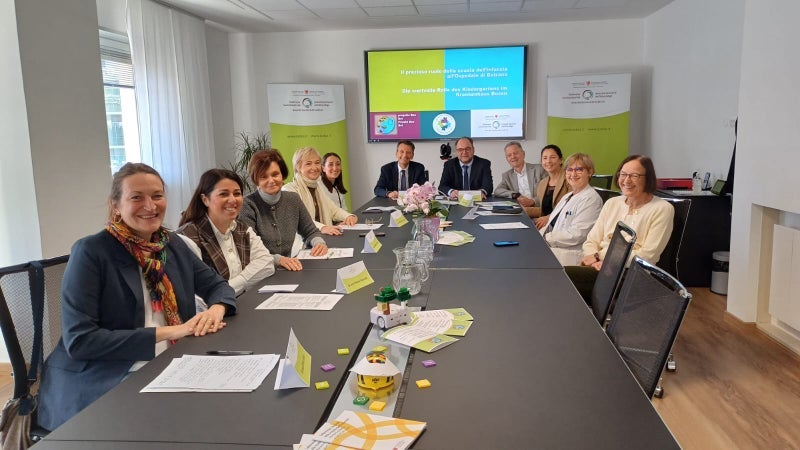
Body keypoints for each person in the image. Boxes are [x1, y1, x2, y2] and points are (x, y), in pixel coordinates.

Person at [38, 163, 237, 431]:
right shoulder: (92, 252)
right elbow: (81, 341)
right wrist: (173, 331)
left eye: (157, 196)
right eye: (136, 197)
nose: (150, 206)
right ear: (116, 205)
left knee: (227, 412)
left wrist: (215, 310)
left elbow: (217, 286)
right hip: (107, 375)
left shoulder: (171, 245)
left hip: (172, 361)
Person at [566, 155, 674, 303]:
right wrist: (593, 261)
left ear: (648, 178)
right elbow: (591, 240)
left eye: (634, 176)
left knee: (562, 279)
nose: (626, 180)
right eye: (623, 174)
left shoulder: (662, 209)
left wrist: (601, 257)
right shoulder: (612, 203)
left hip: (631, 274)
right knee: (558, 279)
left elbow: (647, 256)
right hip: (599, 268)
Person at [177, 169, 275, 297]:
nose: (232, 200)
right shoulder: (187, 237)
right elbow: (195, 296)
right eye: (224, 194)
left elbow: (266, 263)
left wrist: (227, 289)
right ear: (205, 199)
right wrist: (244, 282)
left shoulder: (242, 229)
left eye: (237, 193)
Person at [238, 149, 329, 271]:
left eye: (275, 174)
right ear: (256, 180)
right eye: (264, 177)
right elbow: (249, 249)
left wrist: (318, 243)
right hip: (260, 273)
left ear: (282, 175)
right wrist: (278, 260)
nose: (271, 180)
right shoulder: (247, 206)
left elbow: (310, 231)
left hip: (288, 271)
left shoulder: (293, 199)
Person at [539, 153, 603, 266]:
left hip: (571, 255)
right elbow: (550, 224)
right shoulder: (568, 196)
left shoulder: (591, 199)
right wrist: (538, 235)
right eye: (569, 169)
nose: (573, 174)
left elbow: (577, 234)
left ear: (590, 172)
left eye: (579, 169)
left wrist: (545, 238)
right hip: (555, 248)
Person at [283, 147, 358, 235]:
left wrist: (348, 216)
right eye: (308, 164)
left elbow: (333, 210)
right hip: (304, 241)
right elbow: (298, 219)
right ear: (298, 167)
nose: (314, 167)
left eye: (317, 162)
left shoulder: (317, 188)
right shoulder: (289, 190)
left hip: (322, 238)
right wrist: (323, 227)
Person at [494, 141, 547, 216]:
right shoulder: (507, 175)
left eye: (515, 153)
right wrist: (515, 195)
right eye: (509, 155)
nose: (513, 157)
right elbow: (498, 191)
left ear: (523, 154)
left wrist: (533, 201)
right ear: (507, 159)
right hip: (519, 212)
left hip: (539, 211)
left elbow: (549, 192)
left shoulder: (539, 169)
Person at [533, 144, 570, 226]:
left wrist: (549, 217)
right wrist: (522, 210)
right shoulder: (542, 183)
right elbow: (544, 210)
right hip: (545, 224)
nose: (548, 161)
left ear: (560, 160)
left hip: (562, 224)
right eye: (545, 158)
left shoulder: (569, 179)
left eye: (552, 157)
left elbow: (570, 207)